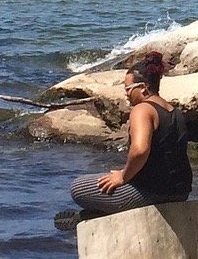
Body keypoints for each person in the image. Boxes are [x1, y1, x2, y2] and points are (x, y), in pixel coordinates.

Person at [65, 51, 191, 219]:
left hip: (153, 193)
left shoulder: (143, 109)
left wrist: (123, 176)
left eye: (128, 89)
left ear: (143, 88)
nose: (126, 94)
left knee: (79, 187)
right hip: (180, 192)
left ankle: (91, 216)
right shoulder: (175, 112)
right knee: (108, 181)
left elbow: (140, 150)